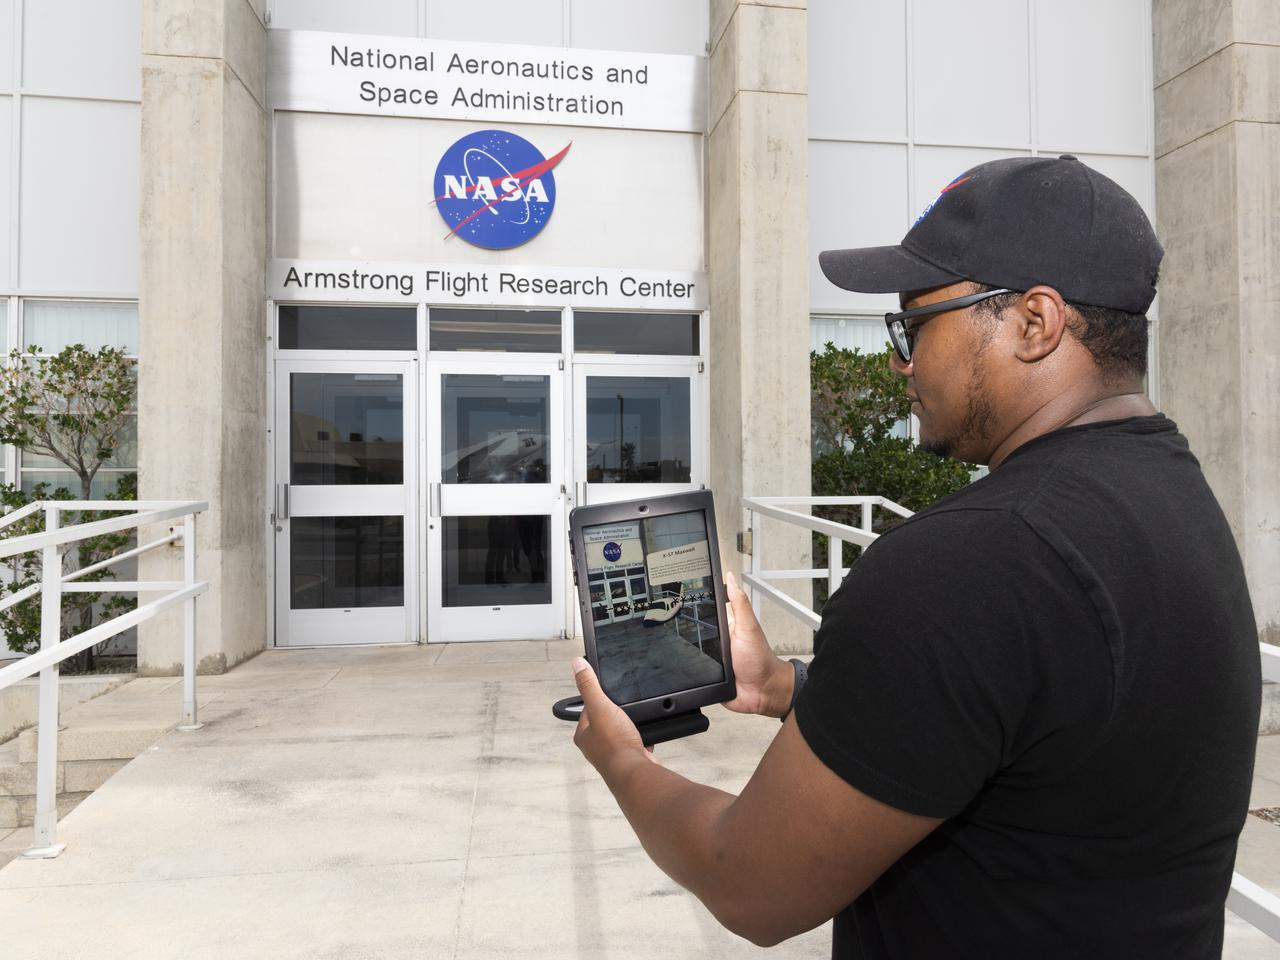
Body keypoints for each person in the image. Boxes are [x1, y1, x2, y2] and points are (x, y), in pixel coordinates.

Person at [569, 155, 1261, 958]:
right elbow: (1020, 713)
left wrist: (621, 757)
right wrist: (781, 685)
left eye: (914, 325)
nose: (898, 360)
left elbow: (747, 883)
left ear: (1034, 323)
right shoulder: (1172, 495)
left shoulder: (968, 562)